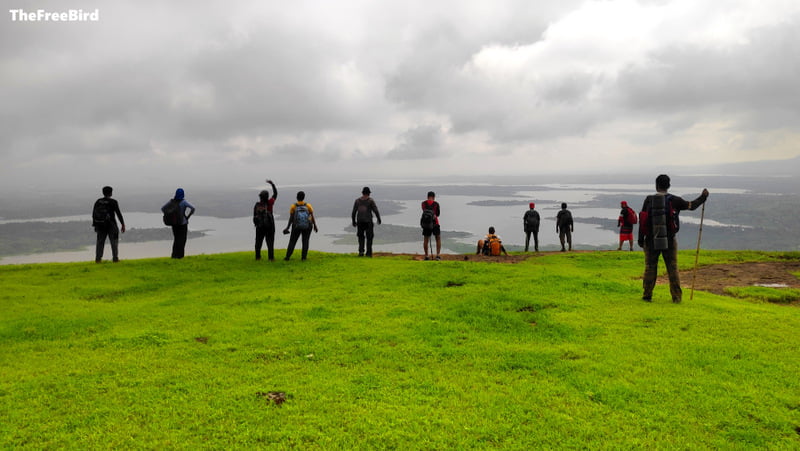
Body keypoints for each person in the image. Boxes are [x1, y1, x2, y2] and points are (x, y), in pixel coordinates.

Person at [639, 174, 709, 303]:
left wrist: (640, 239)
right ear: (669, 186)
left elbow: (642, 219)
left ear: (656, 185)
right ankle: (676, 297)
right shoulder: (675, 200)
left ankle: (647, 295)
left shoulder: (649, 200)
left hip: (650, 240)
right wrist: (703, 197)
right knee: (672, 267)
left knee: (650, 267)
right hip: (670, 239)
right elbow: (692, 205)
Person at [92, 186, 126, 263]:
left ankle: (98, 259)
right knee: (114, 242)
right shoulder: (113, 202)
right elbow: (118, 214)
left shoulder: (98, 201)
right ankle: (115, 258)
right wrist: (123, 224)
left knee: (100, 242)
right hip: (112, 225)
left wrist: (95, 225)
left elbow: (93, 214)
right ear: (110, 193)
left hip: (100, 226)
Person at [283, 191, 318, 261]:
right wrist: (315, 226)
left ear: (297, 197)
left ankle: (287, 257)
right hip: (307, 226)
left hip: (296, 226)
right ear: (304, 197)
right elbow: (312, 216)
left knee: (292, 241)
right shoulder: (308, 206)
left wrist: (287, 227)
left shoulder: (293, 206)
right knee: (305, 241)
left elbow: (291, 218)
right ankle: (303, 258)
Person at [161, 188, 195, 259]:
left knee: (176, 239)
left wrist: (170, 214)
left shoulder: (171, 202)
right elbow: (193, 208)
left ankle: (174, 256)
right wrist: (188, 217)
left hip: (174, 224)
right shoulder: (183, 202)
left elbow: (163, 208)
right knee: (182, 239)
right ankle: (180, 256)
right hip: (182, 224)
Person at [351, 187, 382, 257]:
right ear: (368, 193)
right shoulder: (370, 201)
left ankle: (361, 252)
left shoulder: (357, 201)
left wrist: (353, 221)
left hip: (360, 222)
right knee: (369, 237)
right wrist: (379, 219)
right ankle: (368, 253)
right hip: (368, 222)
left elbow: (353, 212)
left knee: (361, 237)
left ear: (362, 193)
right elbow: (375, 210)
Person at [253, 180, 278, 261]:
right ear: (267, 196)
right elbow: (275, 194)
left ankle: (257, 257)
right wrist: (272, 184)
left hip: (259, 226)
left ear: (260, 197)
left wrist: (257, 224)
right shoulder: (270, 203)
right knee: (270, 242)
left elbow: (254, 216)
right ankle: (271, 258)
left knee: (258, 242)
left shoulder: (257, 205)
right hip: (269, 226)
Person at [420, 191, 441, 260]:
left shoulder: (423, 203)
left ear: (427, 196)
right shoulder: (436, 204)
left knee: (426, 239)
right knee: (438, 238)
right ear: (434, 197)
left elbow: (424, 211)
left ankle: (426, 256)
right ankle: (438, 255)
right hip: (435, 223)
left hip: (426, 224)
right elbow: (437, 214)